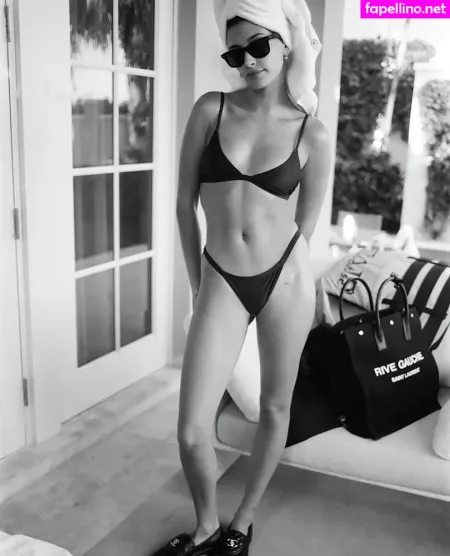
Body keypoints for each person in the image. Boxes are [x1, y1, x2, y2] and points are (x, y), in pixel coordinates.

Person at [152, 1, 332, 554]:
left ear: (284, 44)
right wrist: (197, 284)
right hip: (220, 278)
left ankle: (241, 524)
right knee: (191, 430)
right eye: (235, 53)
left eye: (258, 46)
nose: (248, 61)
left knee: (276, 408)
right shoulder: (212, 109)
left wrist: (297, 275)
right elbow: (183, 206)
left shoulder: (313, 134)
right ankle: (206, 524)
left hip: (285, 280)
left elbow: (305, 226)